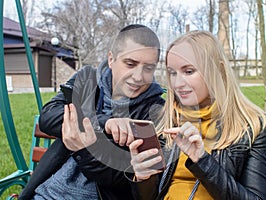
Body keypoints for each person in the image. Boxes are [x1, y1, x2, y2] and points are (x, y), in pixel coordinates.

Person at [19, 24, 165, 200]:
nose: (138, 76)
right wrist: (106, 123)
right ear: (111, 59)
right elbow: (49, 116)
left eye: (148, 68)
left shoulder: (156, 112)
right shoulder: (87, 79)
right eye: (130, 64)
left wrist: (84, 148)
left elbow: (127, 180)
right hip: (45, 193)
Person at [129, 30, 266, 200]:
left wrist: (202, 160)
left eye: (189, 71)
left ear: (218, 70)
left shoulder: (252, 125)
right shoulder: (166, 121)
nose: (178, 83)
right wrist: (142, 177)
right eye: (172, 73)